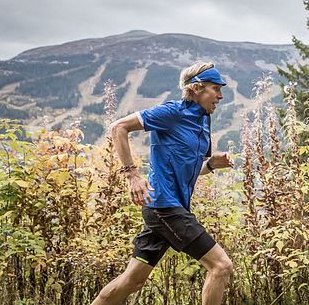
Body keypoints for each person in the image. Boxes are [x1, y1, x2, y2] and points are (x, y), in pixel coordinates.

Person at [92, 61, 235, 305]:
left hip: (166, 209)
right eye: (215, 89)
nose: (220, 96)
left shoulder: (202, 121)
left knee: (132, 281)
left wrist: (211, 165)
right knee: (221, 266)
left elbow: (189, 168)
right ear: (197, 88)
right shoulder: (172, 112)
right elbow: (119, 128)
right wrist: (132, 175)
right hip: (165, 207)